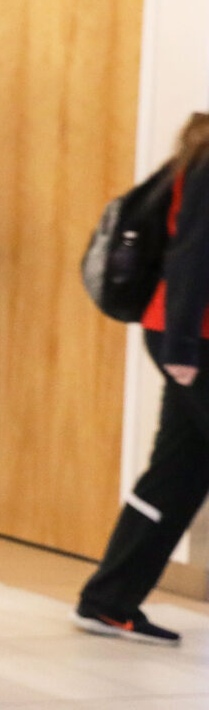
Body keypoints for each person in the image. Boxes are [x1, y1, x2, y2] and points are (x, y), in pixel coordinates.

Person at [76, 111, 209, 645]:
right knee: (178, 471)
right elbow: (192, 255)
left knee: (177, 472)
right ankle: (108, 599)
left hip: (185, 337)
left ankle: (108, 602)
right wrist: (180, 346)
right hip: (192, 339)